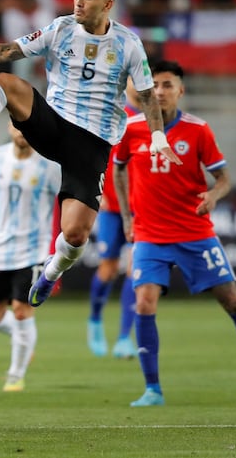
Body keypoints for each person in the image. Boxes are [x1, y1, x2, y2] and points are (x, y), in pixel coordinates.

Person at [0, 0, 180, 309]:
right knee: (6, 82)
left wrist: (158, 136)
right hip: (53, 124)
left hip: (92, 143)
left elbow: (145, 95)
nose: (78, 1)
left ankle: (50, 274)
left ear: (107, 4)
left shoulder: (128, 44)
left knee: (75, 234)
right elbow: (9, 51)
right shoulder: (60, 29)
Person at [112, 60, 236, 407]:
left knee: (232, 301)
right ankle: (152, 389)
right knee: (143, 302)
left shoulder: (198, 130)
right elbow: (118, 170)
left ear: (180, 91)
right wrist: (126, 216)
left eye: (168, 84)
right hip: (150, 235)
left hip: (194, 233)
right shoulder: (130, 129)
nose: (161, 91)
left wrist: (213, 195)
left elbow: (224, 179)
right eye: (154, 84)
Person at [0, 122, 61, 392]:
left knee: (21, 310)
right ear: (9, 127)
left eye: (28, 127)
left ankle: (15, 375)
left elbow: (68, 197)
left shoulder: (50, 165)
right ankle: (24, 339)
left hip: (33, 250)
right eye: (17, 125)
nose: (22, 131)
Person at [86, 78, 140, 359]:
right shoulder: (115, 116)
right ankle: (95, 320)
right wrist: (98, 190)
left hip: (141, 210)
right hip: (111, 208)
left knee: (134, 270)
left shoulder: (154, 122)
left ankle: (123, 338)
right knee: (107, 269)